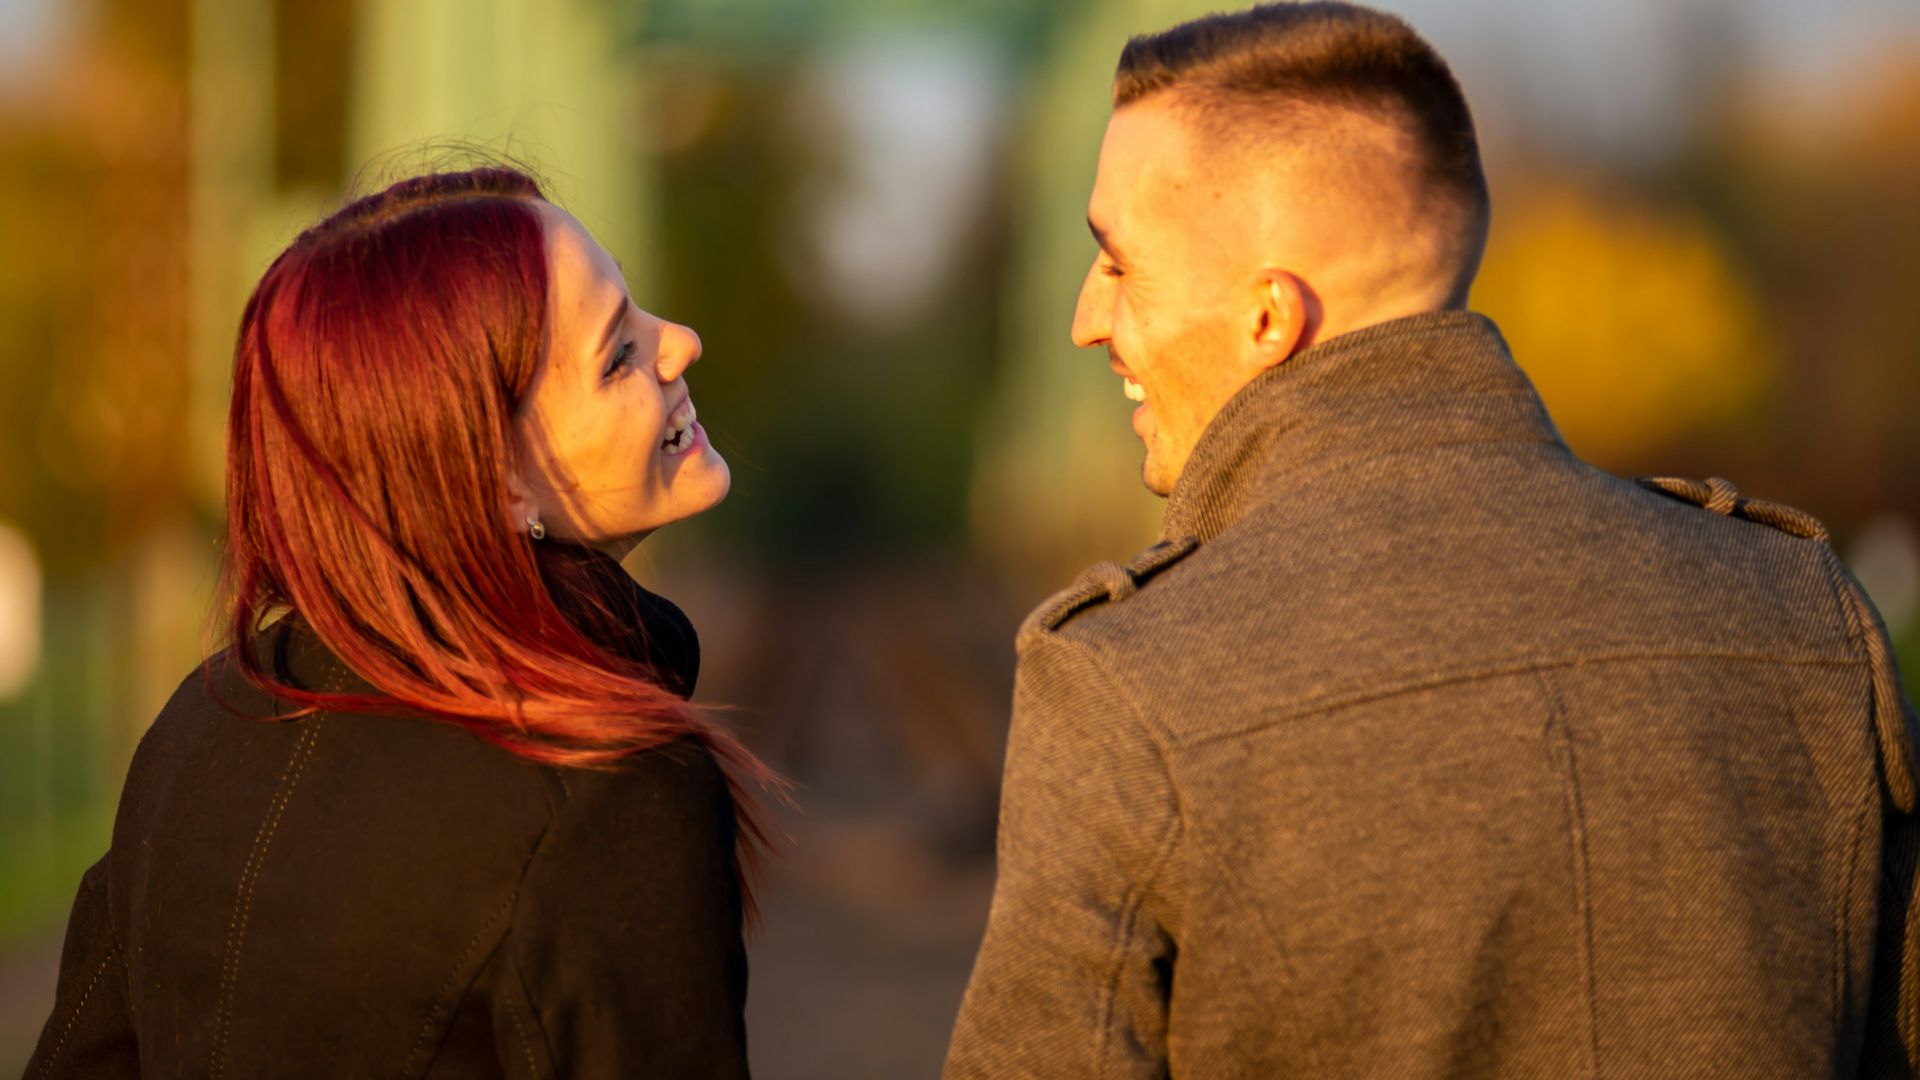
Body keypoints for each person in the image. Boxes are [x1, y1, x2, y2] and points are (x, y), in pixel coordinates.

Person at [946, 3, 1920, 1076]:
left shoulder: (1128, 689)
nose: (1086, 316)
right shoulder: (1801, 615)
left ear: (1272, 318)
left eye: (1118, 264)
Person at [27, 166, 774, 1078]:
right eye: (617, 357)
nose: (682, 344)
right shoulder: (605, 785)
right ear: (491, 482)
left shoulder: (201, 726)